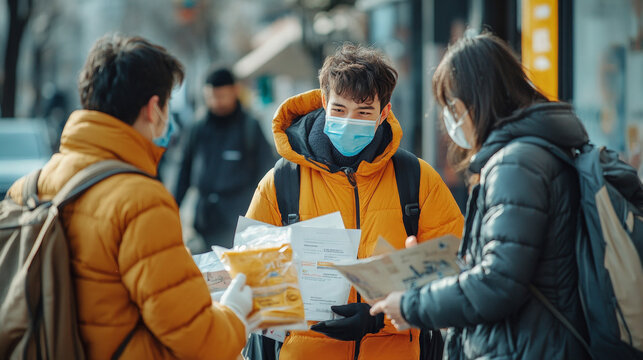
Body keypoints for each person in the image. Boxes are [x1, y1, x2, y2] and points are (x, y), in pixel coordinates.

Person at [7, 35, 252, 359]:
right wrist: (235, 315)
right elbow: (199, 340)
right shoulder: (141, 202)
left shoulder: (27, 188)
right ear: (154, 108)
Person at [370, 33, 591, 359]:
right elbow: (514, 265)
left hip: (528, 347)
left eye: (451, 107)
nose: (450, 123)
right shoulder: (531, 154)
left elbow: (497, 283)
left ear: (471, 104)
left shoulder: (516, 164)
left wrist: (411, 305)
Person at [245, 43, 464, 359]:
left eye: (364, 112)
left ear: (384, 112)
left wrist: (380, 318)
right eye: (339, 109)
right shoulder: (282, 182)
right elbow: (249, 281)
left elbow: (454, 279)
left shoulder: (417, 180)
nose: (349, 121)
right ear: (323, 102)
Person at [174, 67, 274, 251]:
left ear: (234, 91)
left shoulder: (250, 127)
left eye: (221, 96)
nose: (216, 102)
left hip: (240, 223)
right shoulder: (197, 127)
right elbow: (184, 170)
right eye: (210, 97)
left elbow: (267, 174)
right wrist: (172, 208)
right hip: (204, 222)